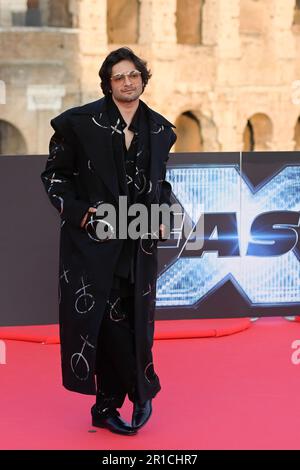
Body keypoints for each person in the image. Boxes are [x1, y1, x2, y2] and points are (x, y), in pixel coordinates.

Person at [41, 47, 176, 436]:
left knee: (136, 321)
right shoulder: (78, 124)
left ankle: (122, 398)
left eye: (133, 74)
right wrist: (81, 213)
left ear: (143, 79)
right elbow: (54, 176)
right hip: (95, 245)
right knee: (106, 325)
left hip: (138, 243)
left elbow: (160, 184)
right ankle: (130, 393)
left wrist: (166, 213)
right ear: (108, 83)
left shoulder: (161, 129)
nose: (128, 81)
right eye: (119, 76)